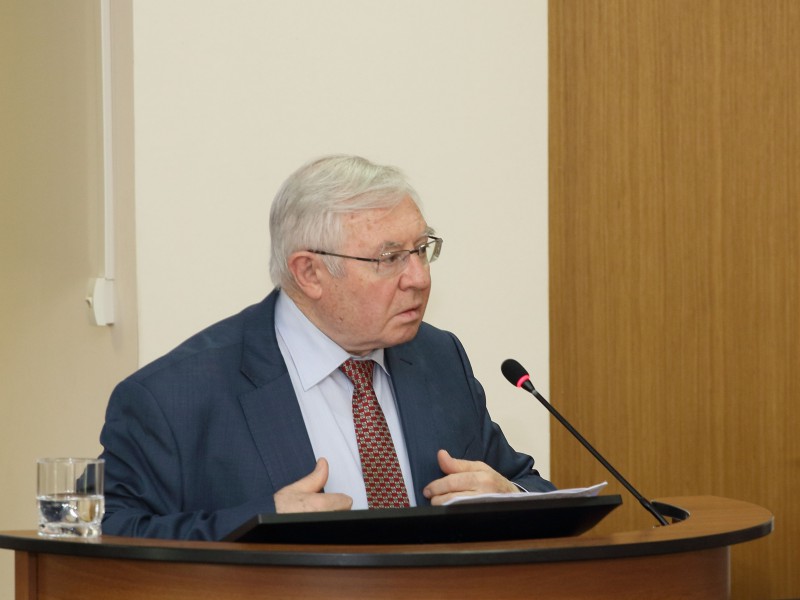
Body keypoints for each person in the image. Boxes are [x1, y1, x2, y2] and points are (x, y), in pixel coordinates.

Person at [99, 155, 555, 540]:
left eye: (421, 249)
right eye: (390, 258)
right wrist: (259, 522)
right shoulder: (174, 397)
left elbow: (526, 484)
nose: (419, 277)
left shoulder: (438, 358)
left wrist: (509, 499)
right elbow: (103, 531)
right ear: (309, 273)